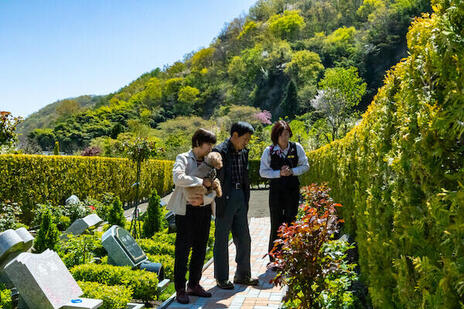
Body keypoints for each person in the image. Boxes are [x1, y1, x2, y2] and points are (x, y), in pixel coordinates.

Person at [166, 128, 217, 304]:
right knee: (183, 249)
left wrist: (206, 192)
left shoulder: (209, 161)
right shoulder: (183, 158)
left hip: (203, 208)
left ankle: (194, 284)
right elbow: (178, 178)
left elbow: (214, 183)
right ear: (198, 143)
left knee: (201, 247)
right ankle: (180, 288)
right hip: (185, 210)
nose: (210, 148)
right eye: (208, 144)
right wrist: (200, 181)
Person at [213, 121, 259, 289]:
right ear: (234, 136)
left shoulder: (244, 152)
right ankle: (221, 278)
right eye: (244, 139)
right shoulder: (219, 151)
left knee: (244, 238)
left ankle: (243, 275)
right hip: (225, 197)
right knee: (222, 239)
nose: (246, 142)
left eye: (248, 140)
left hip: (241, 196)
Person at [259, 120, 309, 267]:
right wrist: (278, 173)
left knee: (291, 220)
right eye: (281, 134)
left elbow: (305, 166)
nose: (284, 137)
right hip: (276, 191)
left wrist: (292, 171)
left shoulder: (296, 147)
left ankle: (291, 256)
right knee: (276, 222)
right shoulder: (268, 151)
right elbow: (263, 172)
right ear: (276, 136)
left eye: (286, 134)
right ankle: (274, 259)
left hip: (292, 189)